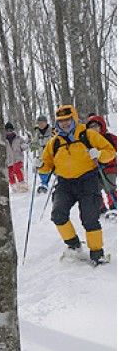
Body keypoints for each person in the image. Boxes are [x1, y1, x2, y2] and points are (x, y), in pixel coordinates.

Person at [38, 105, 116, 264]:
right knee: (58, 215)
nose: (65, 124)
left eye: (67, 120)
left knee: (89, 218)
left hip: (88, 180)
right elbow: (46, 166)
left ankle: (97, 253)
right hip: (65, 183)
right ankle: (73, 245)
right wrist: (39, 165)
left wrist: (99, 154)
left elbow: (110, 152)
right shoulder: (54, 143)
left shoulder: (88, 135)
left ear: (74, 118)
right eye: (61, 121)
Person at [85, 114, 117, 213]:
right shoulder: (87, 140)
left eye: (96, 126)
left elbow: (113, 149)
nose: (94, 129)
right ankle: (101, 207)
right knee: (96, 188)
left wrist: (101, 154)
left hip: (109, 167)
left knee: (110, 187)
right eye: (91, 127)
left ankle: (113, 205)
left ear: (101, 126)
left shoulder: (109, 137)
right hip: (94, 168)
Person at [33, 115, 54, 194]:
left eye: (42, 123)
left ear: (46, 123)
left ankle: (61, 182)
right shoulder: (37, 133)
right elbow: (34, 146)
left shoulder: (52, 131)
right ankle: (44, 184)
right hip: (42, 154)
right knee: (42, 169)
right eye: (39, 123)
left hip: (51, 154)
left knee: (56, 169)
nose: (41, 125)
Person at [5, 122, 29, 191]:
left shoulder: (18, 138)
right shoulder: (4, 140)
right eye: (7, 130)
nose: (9, 132)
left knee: (18, 170)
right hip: (8, 160)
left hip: (18, 158)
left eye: (11, 130)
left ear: (13, 130)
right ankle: (14, 186)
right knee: (10, 173)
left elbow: (24, 144)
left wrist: (23, 146)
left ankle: (22, 185)